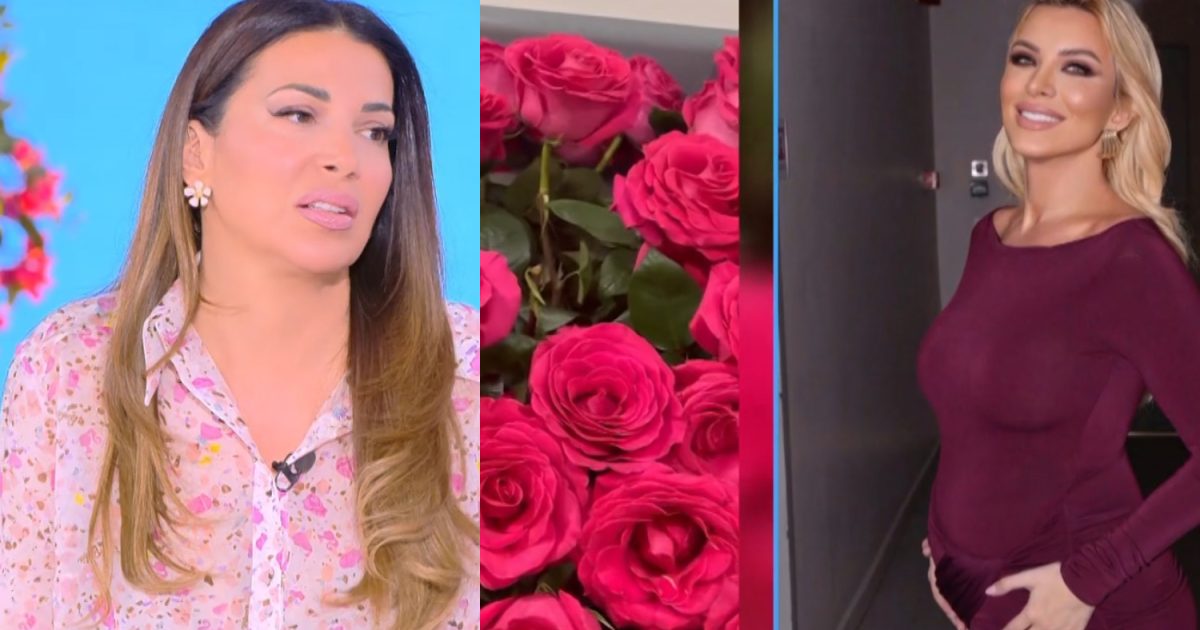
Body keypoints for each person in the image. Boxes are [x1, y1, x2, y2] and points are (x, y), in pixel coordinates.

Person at [0, 1, 480, 628]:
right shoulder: (72, 367)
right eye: (298, 115)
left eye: (374, 132)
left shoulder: (463, 368)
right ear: (195, 152)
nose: (345, 158)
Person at [916, 0, 1200, 628]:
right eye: (1025, 59)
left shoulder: (1133, 259)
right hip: (983, 595)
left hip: (1094, 604)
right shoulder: (992, 234)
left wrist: (1086, 581)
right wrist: (948, 553)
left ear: (1120, 109)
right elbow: (974, 422)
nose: (1039, 84)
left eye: (1077, 68)